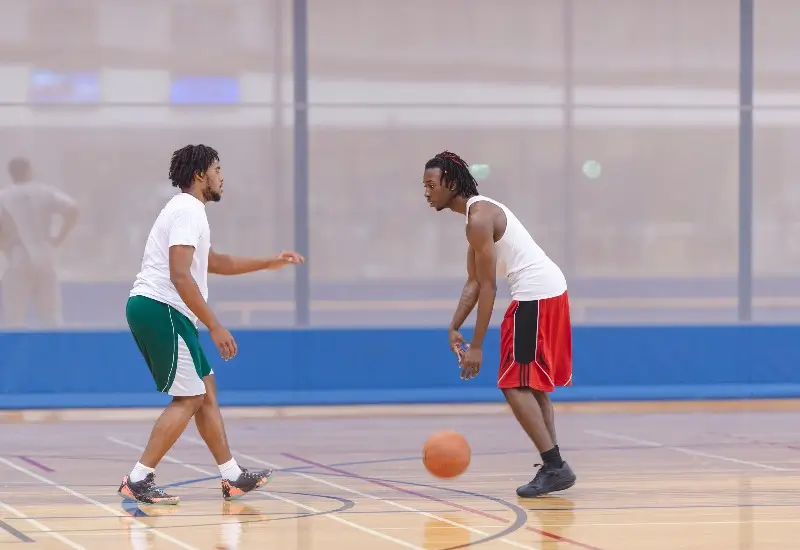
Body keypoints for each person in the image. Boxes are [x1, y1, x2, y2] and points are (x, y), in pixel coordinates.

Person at [118, 144, 304, 505]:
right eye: (217, 168)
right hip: (161, 307)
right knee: (190, 397)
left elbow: (214, 261)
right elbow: (179, 274)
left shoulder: (189, 211)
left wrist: (269, 262)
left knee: (206, 390)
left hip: (166, 309)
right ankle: (138, 478)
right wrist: (215, 326)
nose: (222, 176)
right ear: (200, 175)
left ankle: (232, 476)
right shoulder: (188, 209)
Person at [422, 150, 576, 498]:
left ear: (450, 182)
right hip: (546, 292)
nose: (427, 193)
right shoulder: (474, 218)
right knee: (530, 385)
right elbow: (474, 281)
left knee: (513, 383)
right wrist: (454, 325)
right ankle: (554, 465)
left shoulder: (479, 218)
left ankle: (555, 465)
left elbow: (490, 286)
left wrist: (476, 346)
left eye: (431, 185)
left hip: (536, 296)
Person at [0, 157, 79, 328]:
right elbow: (73, 209)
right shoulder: (44, 192)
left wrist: (4, 246)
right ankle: (54, 353)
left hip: (17, 258)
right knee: (50, 316)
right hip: (45, 256)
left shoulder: (4, 196)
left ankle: (16, 354)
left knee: (14, 319)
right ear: (29, 170)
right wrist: (59, 238)